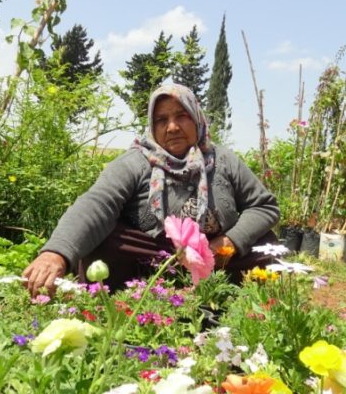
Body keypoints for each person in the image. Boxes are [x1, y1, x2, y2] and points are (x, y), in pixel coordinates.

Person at [23, 83, 280, 296]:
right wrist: (55, 254)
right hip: (154, 262)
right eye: (162, 120)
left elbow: (264, 206)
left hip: (214, 261)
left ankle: (221, 294)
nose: (172, 127)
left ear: (196, 118)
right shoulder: (136, 162)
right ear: (152, 126)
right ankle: (151, 295)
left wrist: (228, 244)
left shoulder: (223, 161)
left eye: (181, 116)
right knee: (108, 240)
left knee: (266, 243)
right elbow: (97, 203)